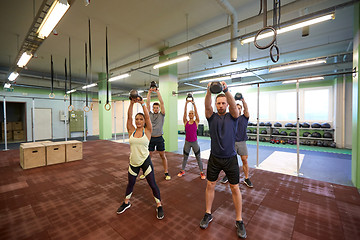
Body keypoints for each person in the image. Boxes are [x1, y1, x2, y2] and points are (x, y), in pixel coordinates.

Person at [199, 81, 246, 239]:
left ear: (226, 104)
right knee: (210, 184)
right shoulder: (211, 117)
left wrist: (226, 90)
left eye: (223, 103)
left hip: (231, 158)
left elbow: (234, 106)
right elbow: (206, 106)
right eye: (218, 103)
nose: (220, 105)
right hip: (215, 158)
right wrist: (208, 91)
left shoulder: (233, 117)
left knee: (234, 188)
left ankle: (239, 220)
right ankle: (208, 213)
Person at [116, 97, 164, 220]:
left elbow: (148, 117)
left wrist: (143, 103)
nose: (138, 121)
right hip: (133, 162)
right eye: (137, 119)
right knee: (130, 184)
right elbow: (128, 117)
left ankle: (159, 205)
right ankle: (126, 202)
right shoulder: (131, 130)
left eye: (141, 119)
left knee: (152, 184)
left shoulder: (147, 131)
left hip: (145, 162)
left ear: (144, 121)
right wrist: (131, 104)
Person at [220, 98, 253, 188]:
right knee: (230, 161)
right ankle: (227, 175)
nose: (237, 110)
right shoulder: (230, 118)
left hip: (242, 142)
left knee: (244, 160)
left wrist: (243, 101)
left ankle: (246, 178)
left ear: (241, 110)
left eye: (239, 108)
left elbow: (246, 109)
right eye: (236, 108)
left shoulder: (244, 117)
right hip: (231, 142)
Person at [139, 87, 171, 180]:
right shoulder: (149, 114)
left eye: (157, 108)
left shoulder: (162, 114)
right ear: (153, 108)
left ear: (159, 108)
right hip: (150, 138)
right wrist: (149, 92)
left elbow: (162, 102)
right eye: (154, 108)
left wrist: (157, 92)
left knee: (162, 156)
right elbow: (147, 103)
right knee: (148, 156)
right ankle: (145, 172)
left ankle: (166, 172)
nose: (156, 109)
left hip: (159, 138)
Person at [177, 98, 206, 180]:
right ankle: (182, 170)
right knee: (185, 158)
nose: (190, 114)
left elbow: (197, 114)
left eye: (192, 113)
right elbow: (184, 112)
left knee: (198, 158)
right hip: (187, 142)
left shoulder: (196, 122)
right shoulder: (185, 122)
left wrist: (194, 104)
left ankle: (201, 172)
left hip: (194, 143)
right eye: (189, 113)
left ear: (193, 115)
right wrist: (186, 103)